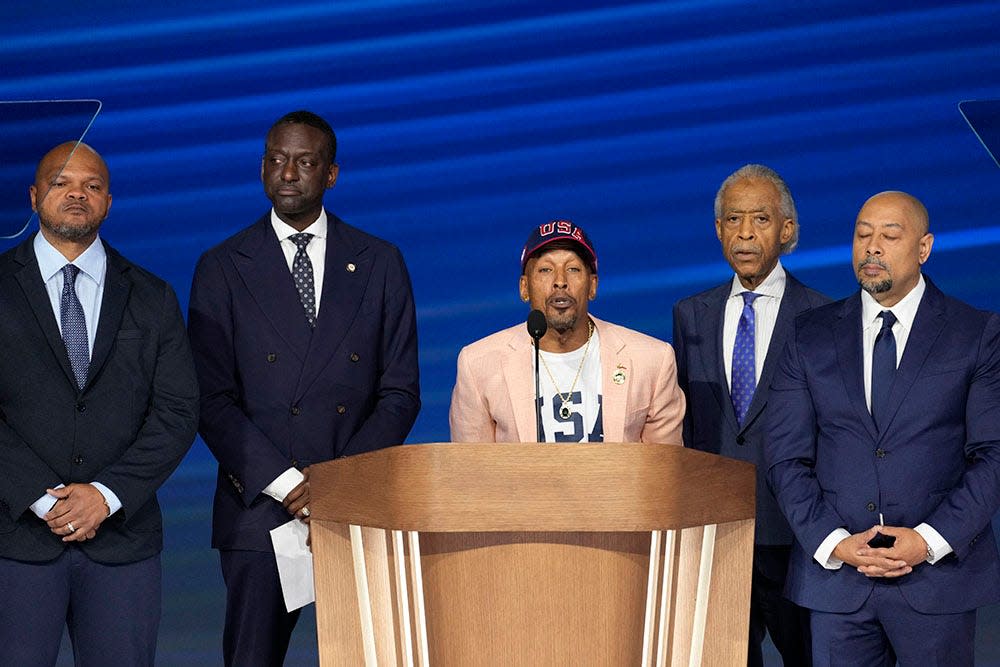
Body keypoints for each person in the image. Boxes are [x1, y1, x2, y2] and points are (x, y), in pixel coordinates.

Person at [188, 110, 420, 666]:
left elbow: (400, 392)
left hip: (358, 505)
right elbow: (210, 399)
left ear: (331, 174)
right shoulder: (221, 266)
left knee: (371, 656)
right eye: (275, 160)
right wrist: (286, 482)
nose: (287, 173)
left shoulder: (379, 261)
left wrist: (337, 485)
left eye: (304, 161)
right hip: (261, 508)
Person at [765, 191, 1000, 666]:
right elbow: (786, 457)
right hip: (838, 585)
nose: (872, 247)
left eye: (890, 236)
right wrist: (836, 544)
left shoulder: (975, 333)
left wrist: (927, 540)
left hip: (937, 583)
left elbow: (993, 454)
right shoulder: (808, 334)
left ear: (924, 247)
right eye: (862, 234)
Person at [0, 141, 199, 666]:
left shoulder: (152, 296)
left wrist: (106, 495)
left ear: (109, 202)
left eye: (91, 185)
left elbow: (177, 411)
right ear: (34, 195)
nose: (76, 194)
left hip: (122, 543)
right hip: (14, 538)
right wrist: (44, 499)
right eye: (61, 183)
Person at [673, 164, 825, 666]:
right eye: (732, 220)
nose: (744, 233)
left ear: (787, 230)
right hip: (717, 532)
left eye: (760, 219)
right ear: (717, 230)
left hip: (795, 532)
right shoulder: (690, 315)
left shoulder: (823, 317)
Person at [450, 220, 685, 444]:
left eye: (573, 269)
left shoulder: (651, 360)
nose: (560, 281)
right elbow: (471, 475)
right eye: (545, 270)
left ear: (593, 286)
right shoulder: (479, 365)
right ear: (524, 287)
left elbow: (665, 473)